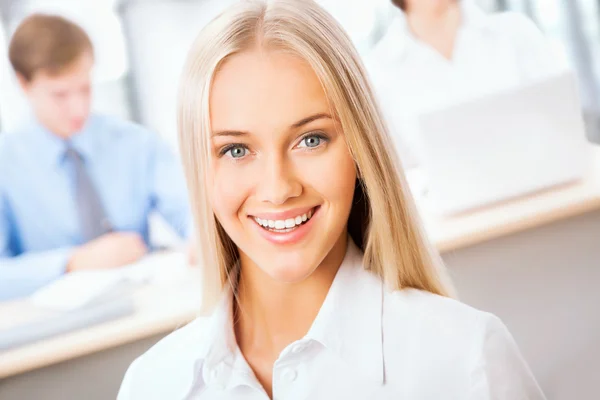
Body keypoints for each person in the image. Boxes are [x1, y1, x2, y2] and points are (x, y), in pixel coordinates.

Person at [118, 1, 546, 399]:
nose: (277, 187)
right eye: (235, 150)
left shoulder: (466, 359)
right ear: (199, 168)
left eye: (310, 139)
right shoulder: (151, 385)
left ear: (361, 151)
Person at [0, 14, 192, 301]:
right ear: (23, 84)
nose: (78, 109)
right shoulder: (7, 164)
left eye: (84, 89)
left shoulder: (134, 142)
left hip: (146, 306)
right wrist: (72, 262)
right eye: (60, 95)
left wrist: (202, 240)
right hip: (53, 333)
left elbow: (191, 211)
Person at [366, 0, 569, 168]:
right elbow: (400, 177)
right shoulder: (379, 72)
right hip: (446, 215)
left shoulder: (516, 33)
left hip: (543, 198)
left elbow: (565, 131)